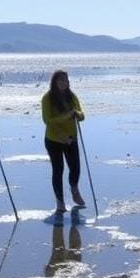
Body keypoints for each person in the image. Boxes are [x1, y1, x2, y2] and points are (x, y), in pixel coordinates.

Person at [41, 69, 86, 213]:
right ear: (54, 82)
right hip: (54, 139)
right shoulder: (47, 98)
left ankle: (74, 189)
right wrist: (67, 116)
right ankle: (60, 202)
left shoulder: (71, 96)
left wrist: (77, 114)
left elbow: (81, 114)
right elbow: (47, 120)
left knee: (75, 167)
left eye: (66, 80)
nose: (64, 83)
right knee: (58, 169)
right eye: (61, 80)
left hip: (71, 138)